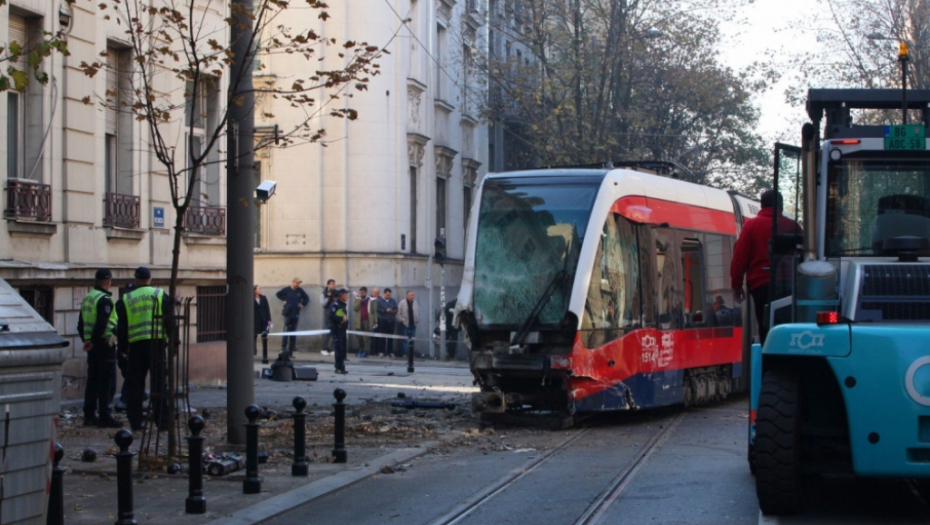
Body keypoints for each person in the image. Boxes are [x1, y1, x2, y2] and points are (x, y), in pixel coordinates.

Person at [731, 189, 802, 343]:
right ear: (781, 206)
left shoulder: (751, 226)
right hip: (788, 286)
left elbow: (739, 259)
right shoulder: (793, 226)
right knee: (789, 326)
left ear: (762, 205)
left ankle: (768, 358)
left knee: (766, 328)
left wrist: (736, 286)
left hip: (760, 285)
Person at [117, 267, 173, 432]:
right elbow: (170, 320)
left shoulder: (127, 298)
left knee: (135, 385)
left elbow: (122, 327)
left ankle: (136, 422)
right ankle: (162, 421)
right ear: (150, 279)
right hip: (157, 344)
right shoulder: (160, 294)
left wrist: (123, 347)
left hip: (136, 345)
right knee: (159, 384)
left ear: (136, 280)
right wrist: (174, 341)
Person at [77, 268, 122, 428]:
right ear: (109, 282)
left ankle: (89, 415)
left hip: (93, 345)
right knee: (107, 380)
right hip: (105, 342)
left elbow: (80, 325)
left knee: (93, 380)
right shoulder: (104, 299)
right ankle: (104, 415)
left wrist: (87, 341)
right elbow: (103, 324)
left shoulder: (88, 298)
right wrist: (98, 341)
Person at [112, 282, 136, 412]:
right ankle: (125, 399)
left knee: (131, 374)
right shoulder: (121, 305)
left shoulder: (121, 305)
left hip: (130, 345)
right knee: (130, 374)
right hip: (127, 345)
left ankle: (127, 399)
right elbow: (117, 328)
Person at [276, 277, 310, 354]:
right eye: (297, 283)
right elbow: (278, 294)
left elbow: (306, 298)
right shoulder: (287, 289)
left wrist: (302, 304)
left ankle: (292, 347)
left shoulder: (300, 290)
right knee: (286, 330)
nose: (298, 284)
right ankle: (283, 347)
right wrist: (283, 300)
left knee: (294, 330)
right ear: (293, 282)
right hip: (288, 312)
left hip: (296, 312)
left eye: (299, 283)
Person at [329, 289, 350, 374]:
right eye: (345, 294)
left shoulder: (342, 305)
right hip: (337, 330)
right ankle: (338, 367)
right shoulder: (335, 305)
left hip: (342, 329)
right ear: (341, 295)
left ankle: (342, 367)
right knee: (338, 349)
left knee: (342, 349)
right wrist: (342, 319)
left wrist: (346, 323)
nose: (347, 296)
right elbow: (332, 316)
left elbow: (344, 316)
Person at [395, 290, 419, 358]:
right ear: (407, 296)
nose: (412, 297)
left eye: (413, 295)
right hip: (405, 324)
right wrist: (403, 320)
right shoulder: (402, 303)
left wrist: (417, 319)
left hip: (413, 324)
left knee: (412, 340)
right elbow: (398, 314)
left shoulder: (415, 303)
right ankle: (404, 354)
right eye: (411, 295)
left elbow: (418, 313)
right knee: (404, 340)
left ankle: (411, 354)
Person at [376, 288, 398, 358]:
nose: (389, 296)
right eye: (387, 295)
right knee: (382, 337)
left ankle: (390, 352)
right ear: (384, 294)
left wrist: (393, 311)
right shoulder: (379, 301)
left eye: (390, 295)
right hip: (383, 320)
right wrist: (385, 310)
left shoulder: (393, 300)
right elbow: (377, 309)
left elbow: (396, 308)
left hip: (391, 321)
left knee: (390, 337)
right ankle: (381, 351)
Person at [352, 286, 371, 357]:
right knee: (359, 337)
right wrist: (359, 301)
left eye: (363, 293)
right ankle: (361, 350)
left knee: (366, 338)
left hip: (367, 320)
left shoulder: (369, 300)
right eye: (360, 293)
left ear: (366, 292)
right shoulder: (358, 299)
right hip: (359, 321)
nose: (361, 294)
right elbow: (355, 308)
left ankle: (366, 352)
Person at [253, 285, 272, 357]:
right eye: (258, 289)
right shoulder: (251, 298)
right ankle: (254, 351)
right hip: (255, 319)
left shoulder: (263, 298)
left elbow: (267, 308)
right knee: (254, 335)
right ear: (255, 290)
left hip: (263, 319)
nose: (260, 290)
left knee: (264, 335)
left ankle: (265, 353)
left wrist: (269, 319)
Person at [320, 279, 337, 355]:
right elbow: (322, 304)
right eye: (332, 284)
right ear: (328, 285)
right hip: (328, 315)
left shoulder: (336, 293)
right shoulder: (324, 293)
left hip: (336, 315)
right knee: (328, 331)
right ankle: (323, 348)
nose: (333, 285)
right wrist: (327, 298)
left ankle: (333, 349)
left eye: (334, 284)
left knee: (335, 332)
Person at [368, 287, 382, 356]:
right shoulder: (369, 300)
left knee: (378, 337)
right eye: (375, 293)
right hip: (371, 321)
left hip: (380, 320)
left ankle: (377, 351)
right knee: (371, 336)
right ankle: (371, 351)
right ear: (372, 293)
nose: (376, 294)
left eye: (377, 293)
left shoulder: (381, 300)